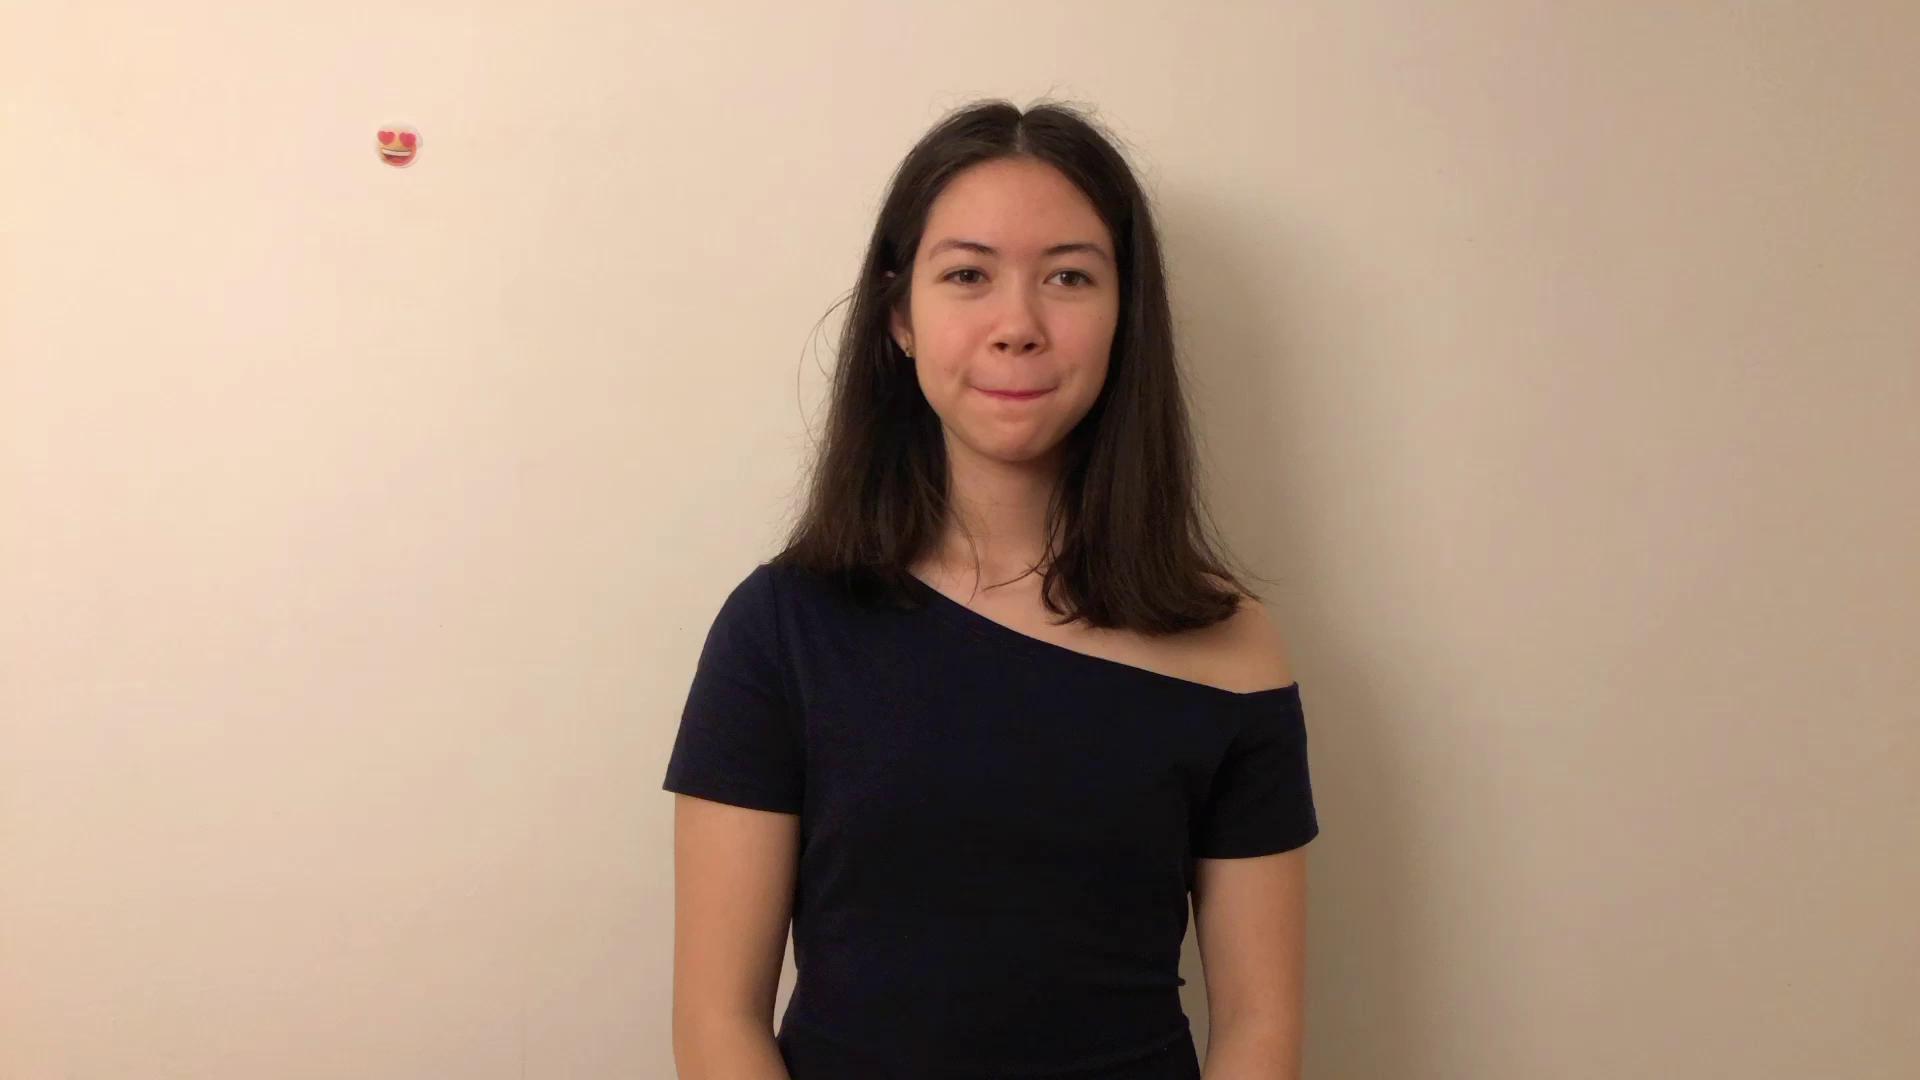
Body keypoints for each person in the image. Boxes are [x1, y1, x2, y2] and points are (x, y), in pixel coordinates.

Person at [663, 97, 1319, 1080]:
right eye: (968, 275)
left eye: (1069, 277)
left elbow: (1261, 1027)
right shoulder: (781, 630)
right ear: (900, 316)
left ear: (1126, 315)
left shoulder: (1231, 645)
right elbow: (717, 1021)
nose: (1018, 326)